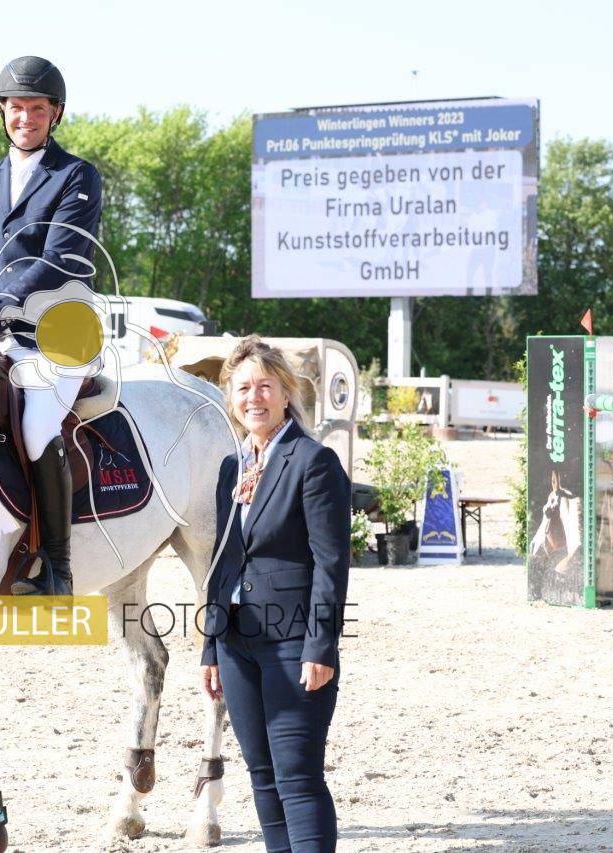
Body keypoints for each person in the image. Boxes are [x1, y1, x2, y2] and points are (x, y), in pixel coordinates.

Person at [0, 56, 103, 598]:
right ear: (3, 112)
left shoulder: (76, 175)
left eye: (37, 108)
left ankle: (58, 567)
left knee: (38, 425)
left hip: (60, 332)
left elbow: (61, 258)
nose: (25, 118)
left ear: (55, 114)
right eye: (16, 107)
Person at [200, 336, 351, 852]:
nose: (254, 397)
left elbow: (331, 564)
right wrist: (210, 646)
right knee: (262, 775)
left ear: (286, 393)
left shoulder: (314, 461)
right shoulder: (232, 467)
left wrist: (320, 646)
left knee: (297, 777)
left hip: (293, 644)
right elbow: (222, 559)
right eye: (243, 388)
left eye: (265, 386)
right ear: (231, 398)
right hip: (235, 645)